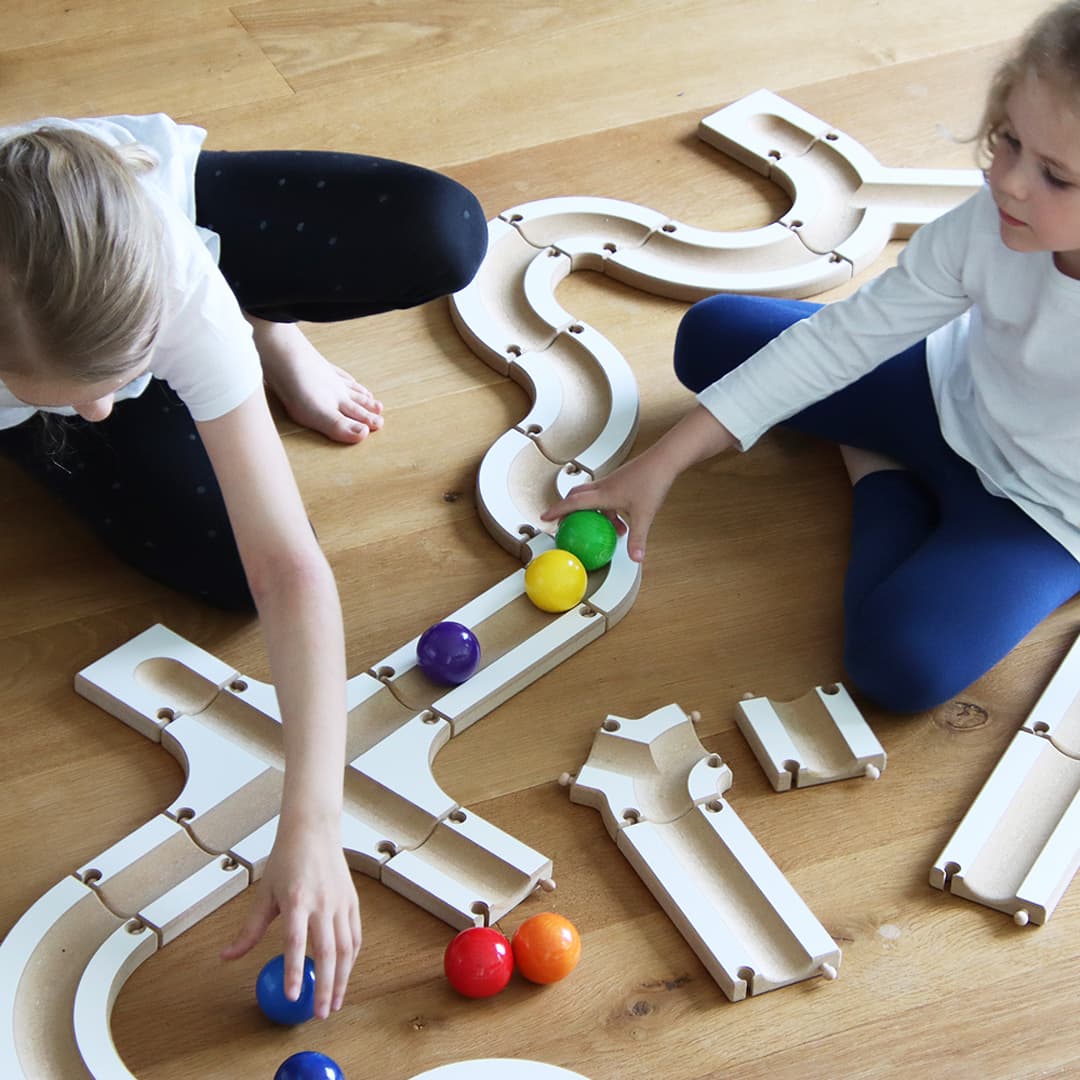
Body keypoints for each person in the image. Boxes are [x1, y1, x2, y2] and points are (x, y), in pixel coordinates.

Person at [0, 113, 488, 1017]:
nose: (102, 412)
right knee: (210, 561)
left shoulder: (180, 283)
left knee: (439, 229)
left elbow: (291, 569)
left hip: (145, 260)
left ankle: (271, 328)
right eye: (78, 396)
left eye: (123, 374)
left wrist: (312, 819)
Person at [544, 0, 1080, 715]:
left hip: (1046, 513)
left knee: (900, 669)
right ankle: (879, 447)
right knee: (711, 335)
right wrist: (663, 461)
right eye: (1008, 141)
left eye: (1057, 176)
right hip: (950, 393)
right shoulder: (991, 220)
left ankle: (878, 474)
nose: (1009, 182)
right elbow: (843, 338)